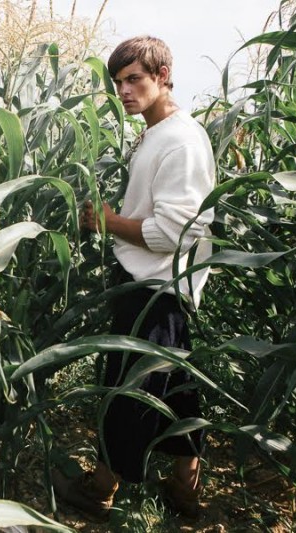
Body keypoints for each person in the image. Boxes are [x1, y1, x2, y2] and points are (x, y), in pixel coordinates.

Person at [52, 36, 215, 521]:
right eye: (118, 81)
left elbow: (175, 234)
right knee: (176, 388)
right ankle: (185, 489)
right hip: (157, 285)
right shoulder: (159, 132)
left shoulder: (181, 142)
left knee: (128, 392)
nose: (123, 90)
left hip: (156, 290)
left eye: (134, 79)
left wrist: (107, 222)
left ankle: (100, 490)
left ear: (162, 76)